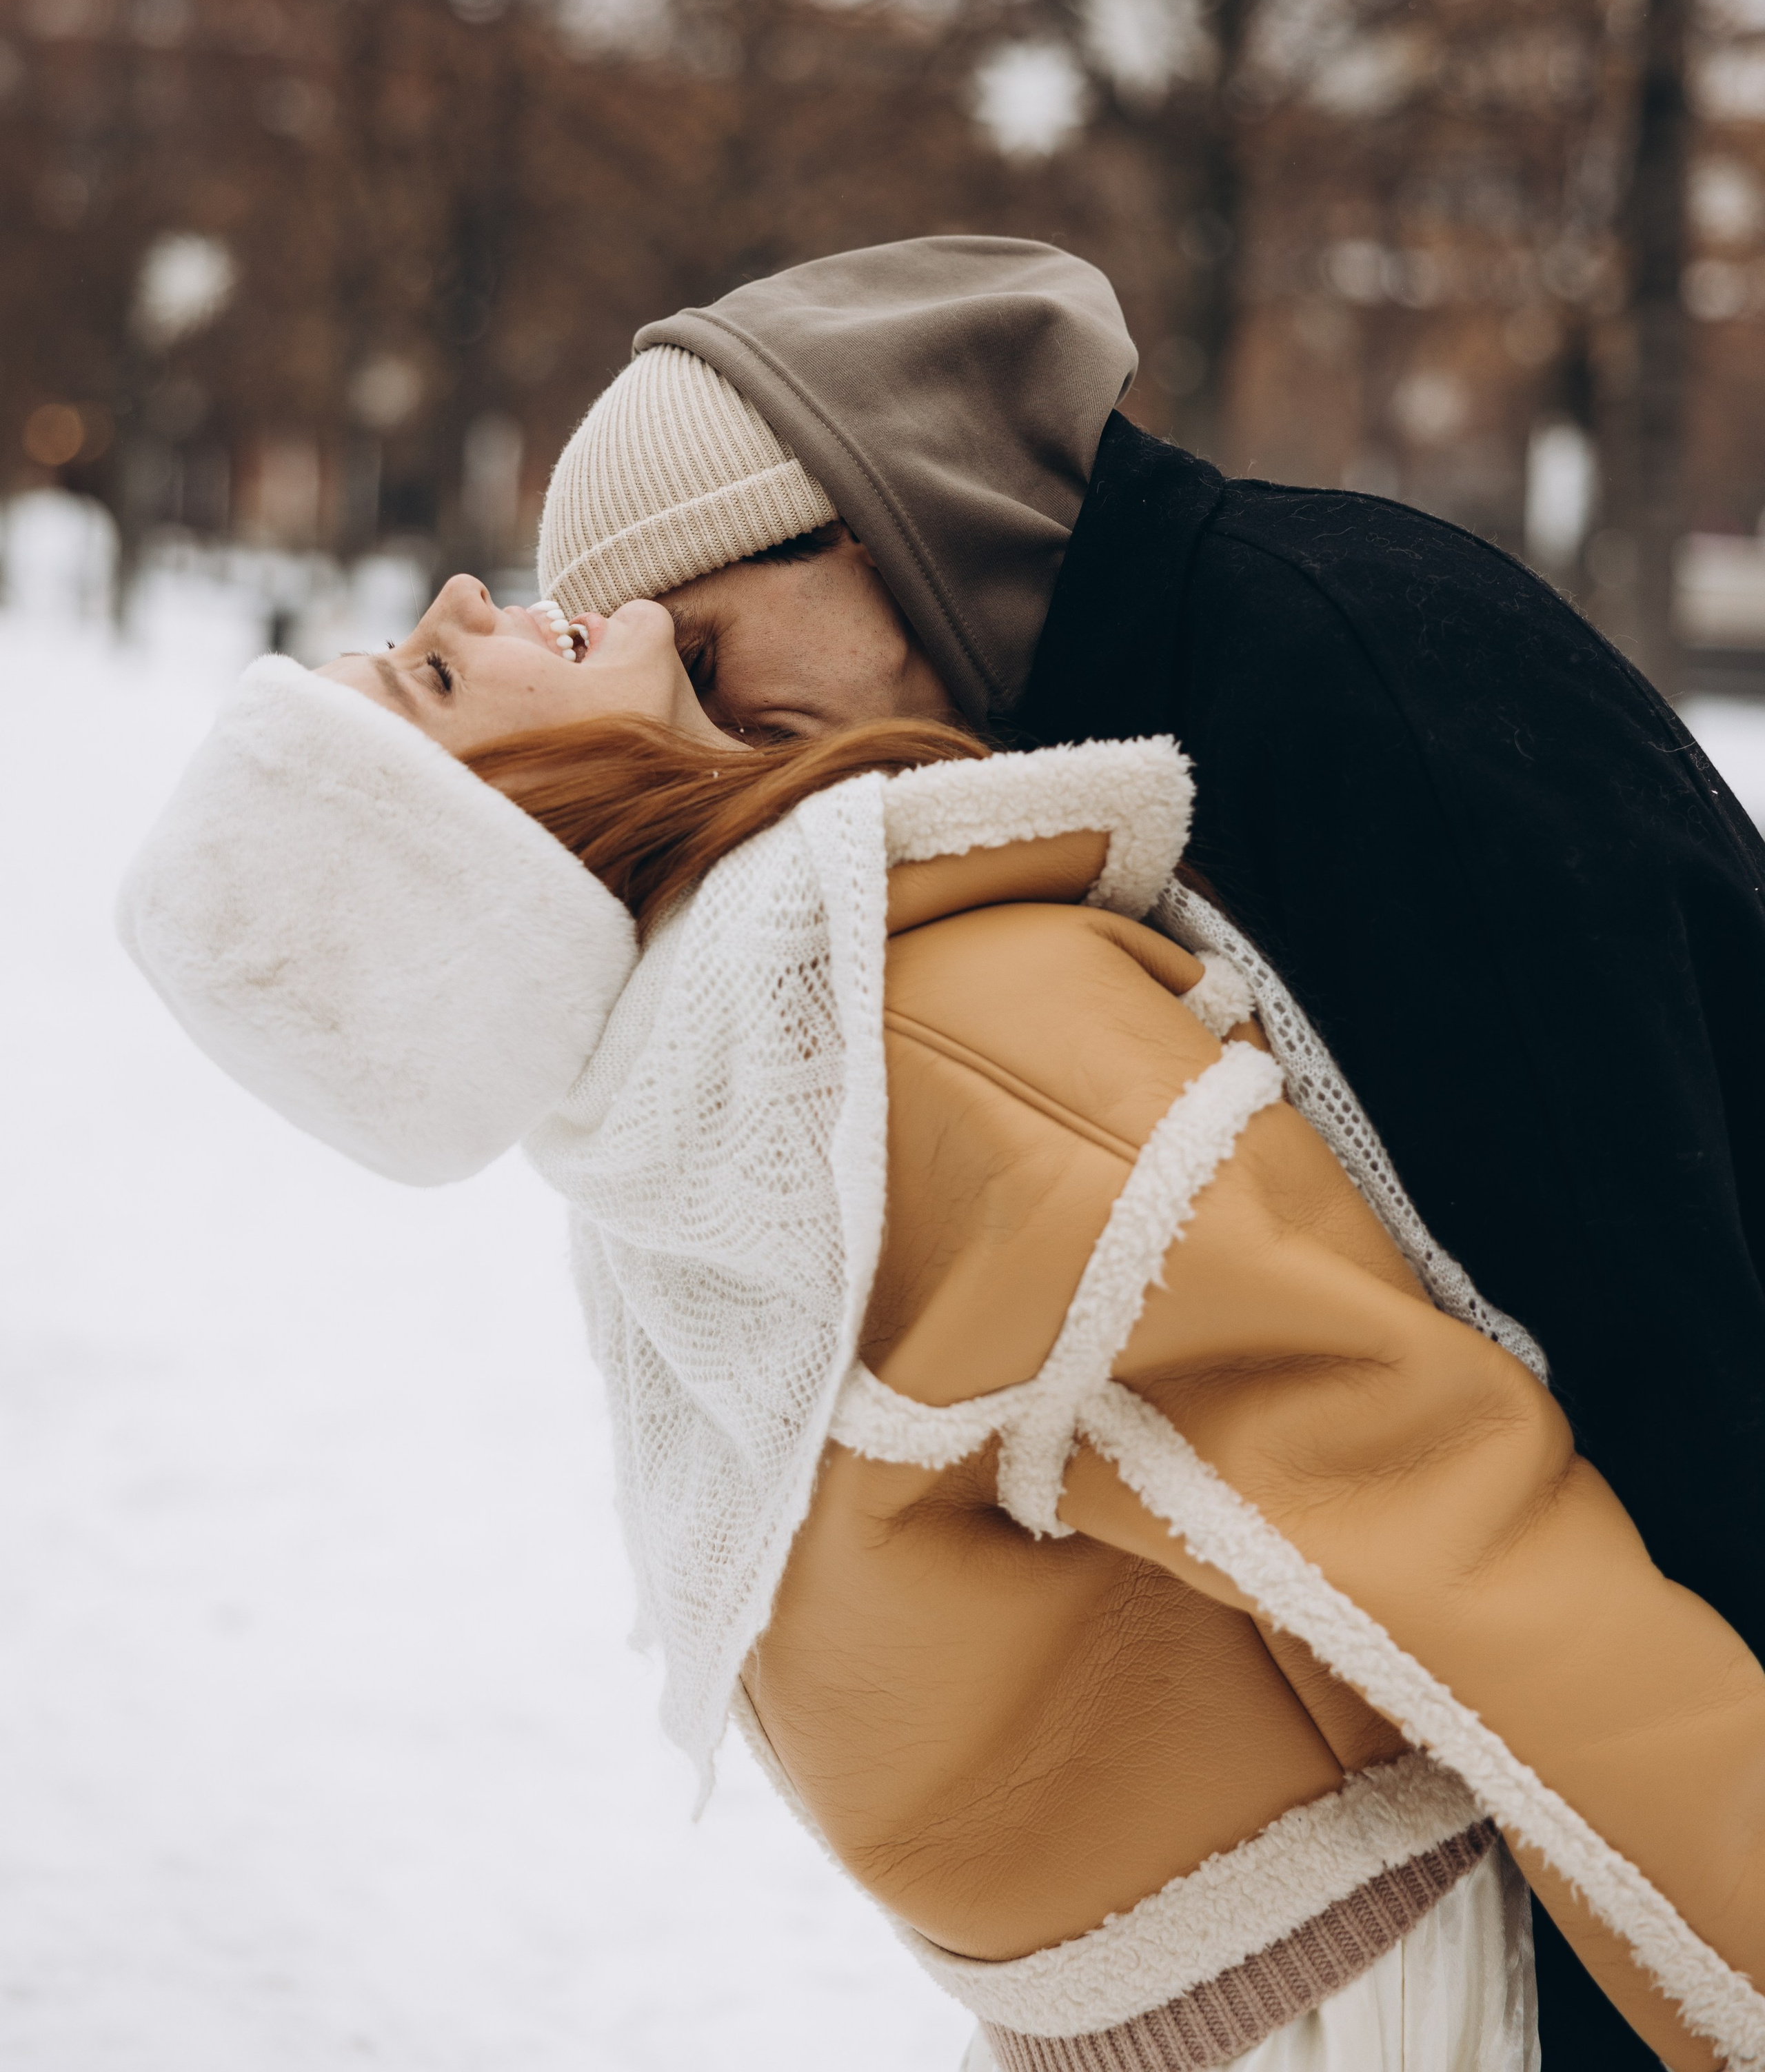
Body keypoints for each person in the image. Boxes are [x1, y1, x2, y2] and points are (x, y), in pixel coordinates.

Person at [117, 579, 1765, 2071]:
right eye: (431, 677)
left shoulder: (690, 1128)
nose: (468, 598)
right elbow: (1471, 1559)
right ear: (489, 852)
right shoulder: (920, 1054)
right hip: (1346, 2011)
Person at [535, 234, 1765, 2069]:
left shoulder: (1336, 688)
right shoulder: (1138, 708)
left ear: (867, 527)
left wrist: (1634, 2003)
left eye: (708, 657)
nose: (718, 758)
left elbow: (1653, 1340)